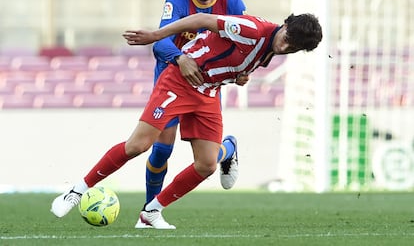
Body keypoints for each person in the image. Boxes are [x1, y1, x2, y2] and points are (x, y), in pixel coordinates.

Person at [51, 12, 323, 230]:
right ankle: (75, 193)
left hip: (207, 93)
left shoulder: (276, 47)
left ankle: (151, 213)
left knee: (206, 165)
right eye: (287, 38)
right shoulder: (251, 29)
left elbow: (237, 62)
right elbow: (203, 21)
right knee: (138, 145)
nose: (284, 46)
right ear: (285, 24)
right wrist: (156, 36)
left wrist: (238, 76)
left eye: (293, 47)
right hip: (179, 82)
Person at [143, 0, 247, 215]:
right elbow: (160, 41)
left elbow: (246, 41)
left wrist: (243, 71)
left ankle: (229, 148)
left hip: (206, 86)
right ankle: (149, 211)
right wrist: (181, 59)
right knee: (160, 151)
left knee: (207, 160)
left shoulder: (232, 0)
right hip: (172, 80)